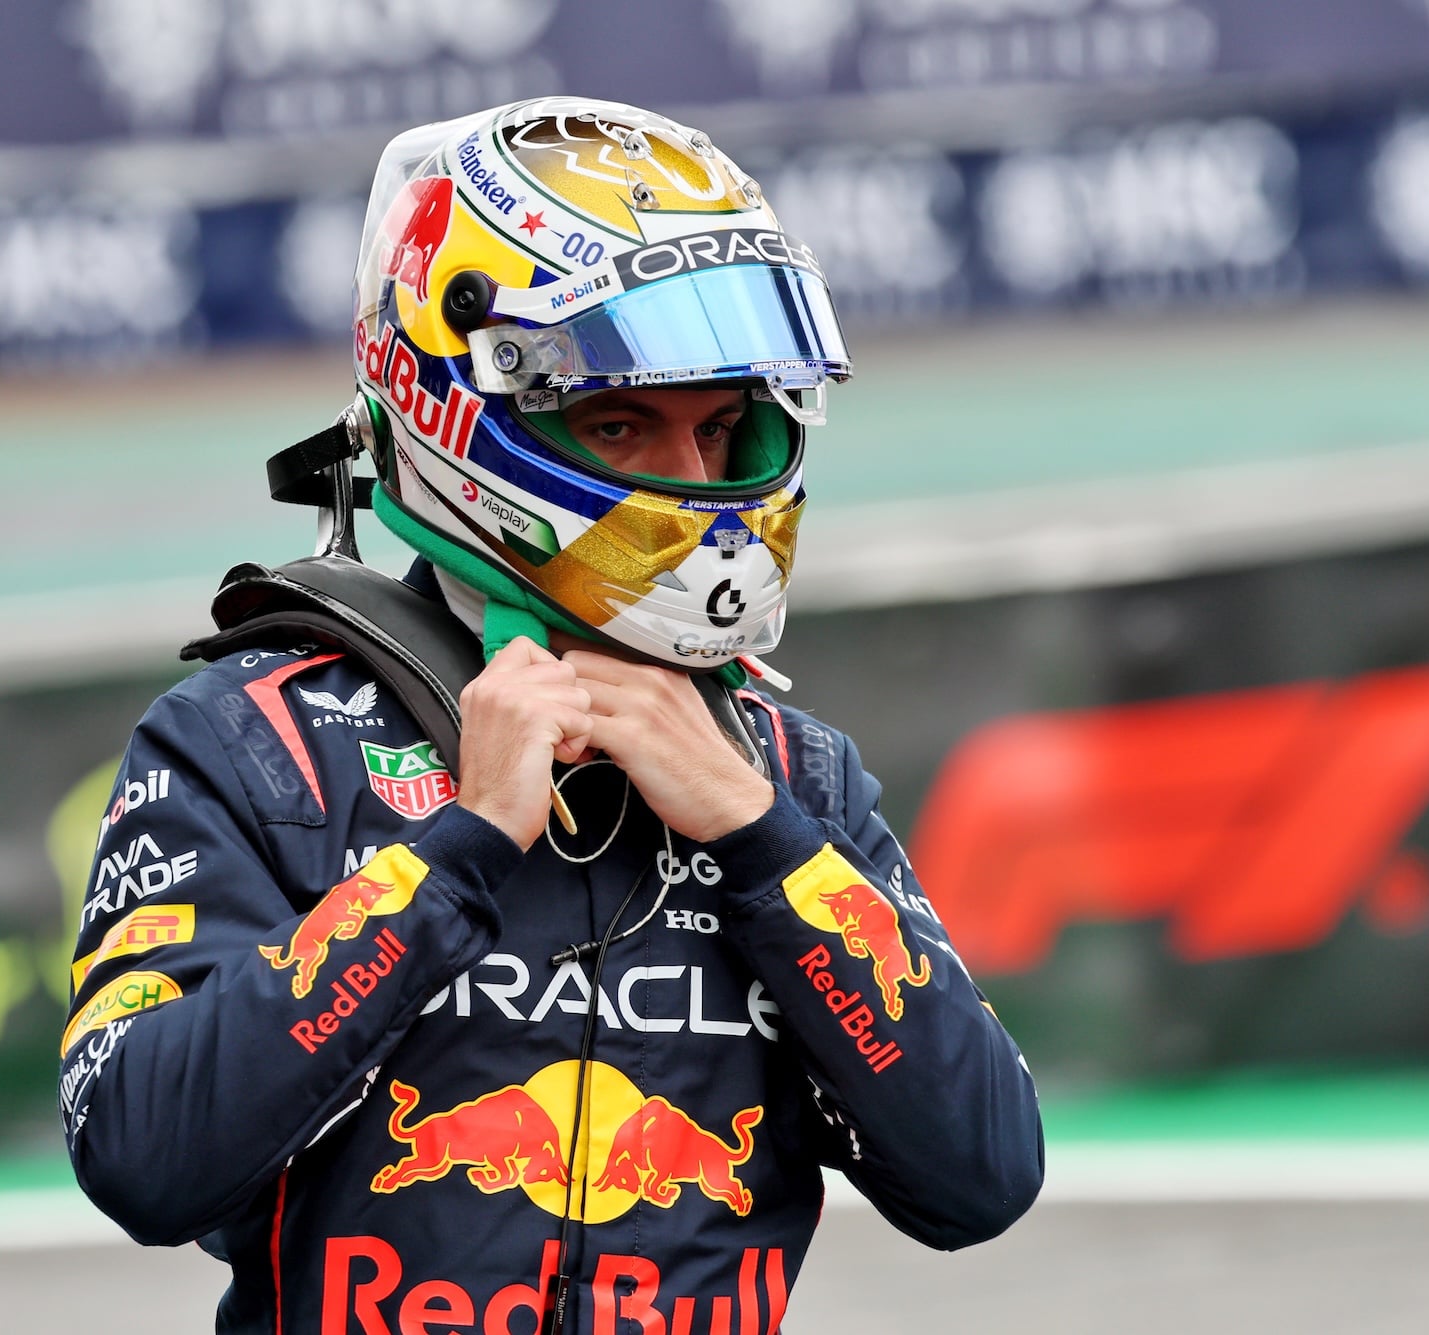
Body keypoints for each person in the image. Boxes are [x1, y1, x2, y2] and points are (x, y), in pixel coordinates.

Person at [61, 97, 1043, 1335]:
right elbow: (142, 1156)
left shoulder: (792, 777)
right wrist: (454, 855)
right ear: (460, 414)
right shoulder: (256, 741)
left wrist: (760, 843)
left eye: (721, 428)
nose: (694, 483)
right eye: (621, 424)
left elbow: (979, 1177)